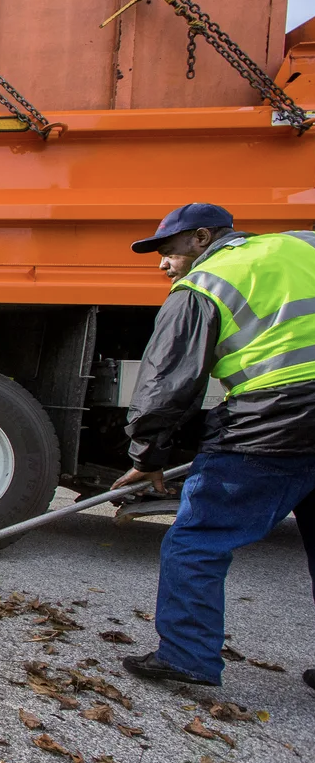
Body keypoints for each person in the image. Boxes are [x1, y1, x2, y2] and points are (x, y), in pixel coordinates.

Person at [111, 203, 315, 691]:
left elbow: (165, 388)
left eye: (169, 251)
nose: (163, 263)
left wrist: (147, 459)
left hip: (275, 427)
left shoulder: (204, 286)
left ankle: (187, 656)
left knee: (198, 539)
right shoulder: (301, 243)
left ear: (202, 238)